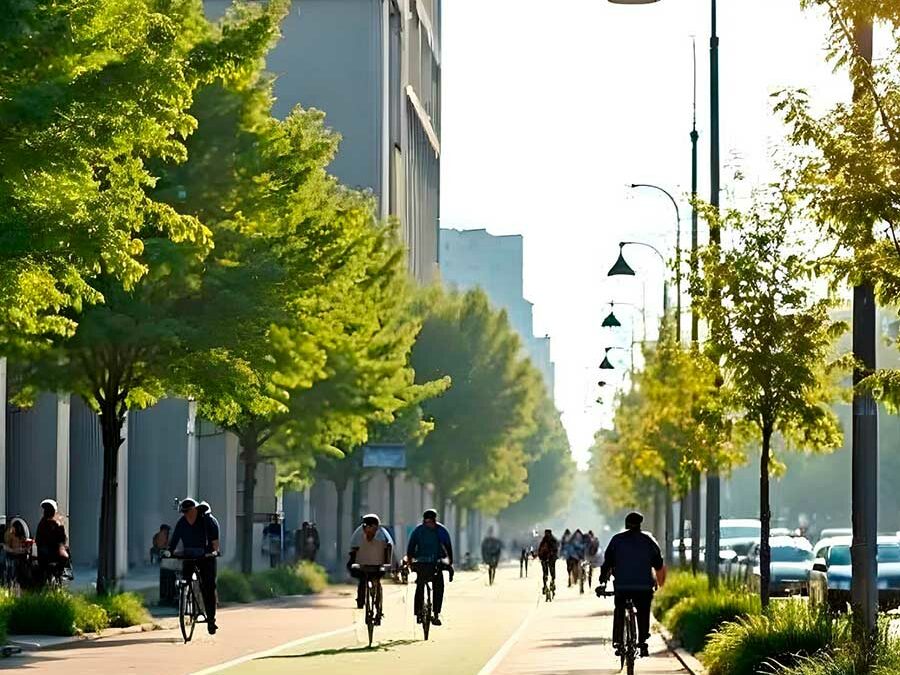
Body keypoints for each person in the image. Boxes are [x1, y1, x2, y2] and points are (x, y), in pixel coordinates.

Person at [597, 512, 667, 659]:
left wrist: (602, 582)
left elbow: (607, 563)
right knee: (643, 610)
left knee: (620, 609)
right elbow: (659, 563)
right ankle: (642, 641)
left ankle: (618, 641)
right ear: (640, 524)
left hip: (622, 586)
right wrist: (659, 583)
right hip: (644, 587)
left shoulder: (617, 540)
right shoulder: (648, 540)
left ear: (626, 524)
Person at [167, 498, 221, 635]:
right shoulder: (182, 523)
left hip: (206, 556)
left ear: (196, 510)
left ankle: (211, 621)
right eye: (184, 513)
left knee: (208, 586)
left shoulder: (207, 521)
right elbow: (174, 542)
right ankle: (184, 594)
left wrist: (213, 552)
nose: (187, 515)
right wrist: (169, 551)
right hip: (189, 556)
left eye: (189, 512)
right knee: (184, 577)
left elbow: (215, 543)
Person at [406, 509, 453, 627]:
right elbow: (411, 547)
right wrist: (410, 562)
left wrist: (450, 563)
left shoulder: (440, 531)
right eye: (427, 522)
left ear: (435, 520)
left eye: (431, 521)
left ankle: (436, 613)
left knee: (439, 586)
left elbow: (448, 547)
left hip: (436, 563)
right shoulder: (419, 531)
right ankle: (418, 612)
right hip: (422, 563)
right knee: (420, 585)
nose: (429, 524)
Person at [347, 513, 393, 623]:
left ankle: (378, 609)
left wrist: (387, 563)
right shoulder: (359, 533)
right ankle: (361, 600)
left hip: (378, 566)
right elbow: (352, 549)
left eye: (372, 526)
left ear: (377, 526)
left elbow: (389, 547)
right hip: (363, 566)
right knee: (362, 580)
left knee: (376, 583)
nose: (369, 529)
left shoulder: (381, 534)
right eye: (367, 526)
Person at [35, 499, 69, 586]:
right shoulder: (43, 524)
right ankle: (59, 574)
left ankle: (60, 574)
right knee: (64, 556)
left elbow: (63, 539)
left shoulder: (56, 523)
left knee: (65, 555)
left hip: (50, 551)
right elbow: (63, 539)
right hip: (47, 552)